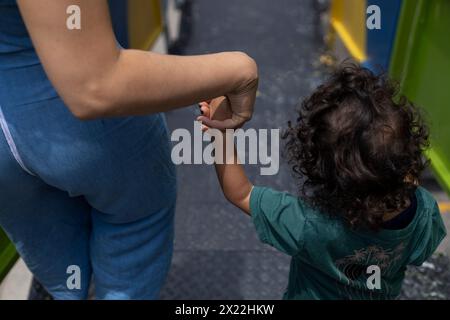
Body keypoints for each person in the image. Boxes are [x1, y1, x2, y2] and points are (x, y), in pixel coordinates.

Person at [0, 0, 258, 299]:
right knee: (134, 224)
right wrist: (239, 71)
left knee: (53, 249)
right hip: (79, 130)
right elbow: (95, 86)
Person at [199, 64, 447, 299]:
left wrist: (221, 131)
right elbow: (418, 252)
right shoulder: (423, 211)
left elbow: (240, 193)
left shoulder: (311, 223)